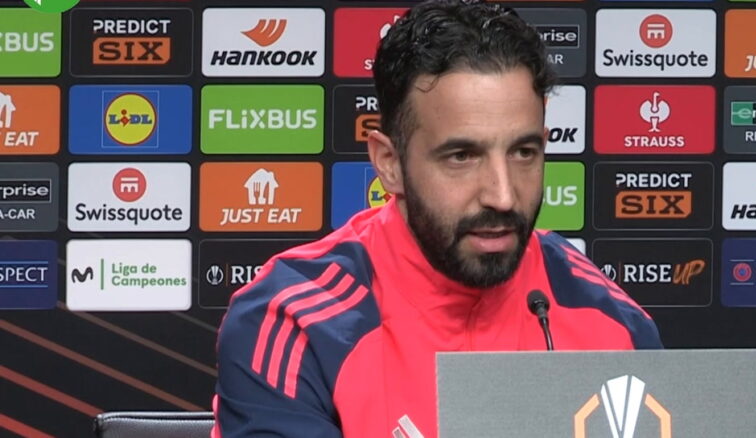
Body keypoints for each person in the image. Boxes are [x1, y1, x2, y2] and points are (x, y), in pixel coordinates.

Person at [211, 1, 662, 436]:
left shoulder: (609, 318)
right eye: (462, 156)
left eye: (524, 152)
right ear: (389, 163)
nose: (503, 196)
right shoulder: (293, 322)